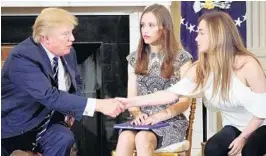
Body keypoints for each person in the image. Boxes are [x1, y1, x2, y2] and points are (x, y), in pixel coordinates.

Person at [116, 11, 266, 156]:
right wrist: (128, 102)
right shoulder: (202, 67)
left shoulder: (247, 65)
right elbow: (169, 95)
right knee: (212, 149)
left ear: (217, 35)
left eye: (201, 33)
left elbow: (262, 109)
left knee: (250, 150)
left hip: (261, 123)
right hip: (233, 126)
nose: (196, 39)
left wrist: (244, 137)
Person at [1, 8, 124, 156]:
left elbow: (76, 81)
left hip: (47, 123)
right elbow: (49, 95)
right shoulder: (22, 57)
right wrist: (98, 104)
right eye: (66, 34)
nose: (72, 38)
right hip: (15, 126)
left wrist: (70, 111)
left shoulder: (68, 52)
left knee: (63, 137)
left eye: (72, 32)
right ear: (45, 38)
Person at [115, 4, 192, 156]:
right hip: (142, 121)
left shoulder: (182, 58)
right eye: (143, 25)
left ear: (164, 28)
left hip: (170, 120)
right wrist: (137, 114)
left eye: (151, 25)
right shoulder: (134, 58)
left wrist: (158, 116)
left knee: (143, 138)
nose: (145, 30)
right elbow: (132, 99)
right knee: (125, 137)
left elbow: (184, 102)